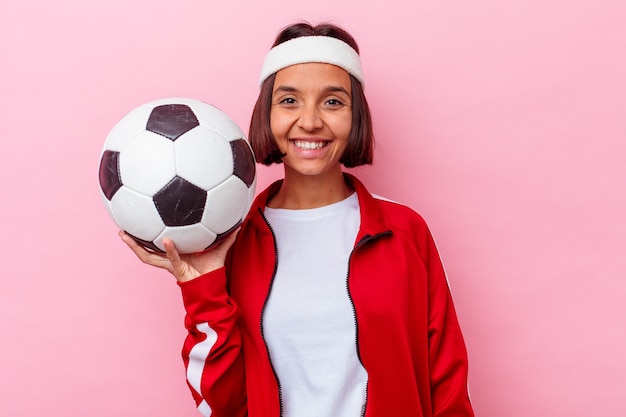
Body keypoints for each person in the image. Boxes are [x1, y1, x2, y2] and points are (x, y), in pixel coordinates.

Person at [121, 22, 474, 417]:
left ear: (356, 116)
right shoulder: (232, 241)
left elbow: (447, 385)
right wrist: (201, 287)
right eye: (289, 101)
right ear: (265, 114)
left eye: (333, 102)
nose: (310, 121)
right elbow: (222, 406)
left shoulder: (404, 231)